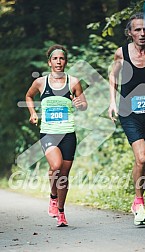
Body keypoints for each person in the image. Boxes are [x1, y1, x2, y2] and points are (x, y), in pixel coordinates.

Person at [108, 12, 145, 226]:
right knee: (141, 157)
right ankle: (138, 201)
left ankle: (139, 196)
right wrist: (113, 102)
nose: (142, 33)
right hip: (129, 112)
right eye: (137, 30)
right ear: (130, 33)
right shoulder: (121, 53)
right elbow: (113, 75)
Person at [26, 44, 87, 227]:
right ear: (49, 62)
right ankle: (53, 196)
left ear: (65, 61)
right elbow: (29, 96)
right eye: (55, 59)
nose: (58, 61)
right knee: (56, 165)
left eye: (62, 58)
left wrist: (79, 103)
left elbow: (84, 104)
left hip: (68, 133)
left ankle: (61, 212)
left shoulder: (74, 81)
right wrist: (33, 113)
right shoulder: (41, 83)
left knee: (64, 175)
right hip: (49, 133)